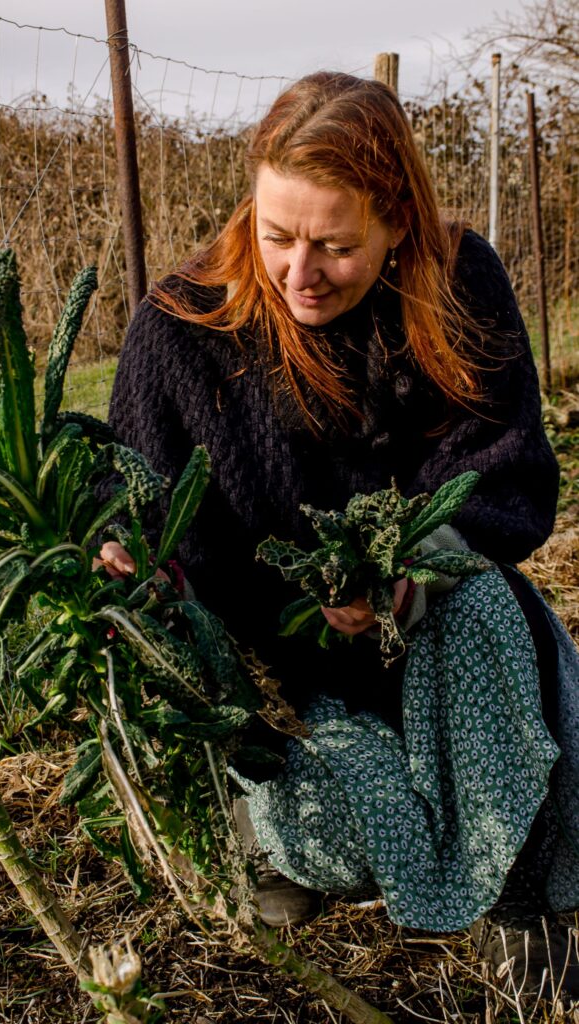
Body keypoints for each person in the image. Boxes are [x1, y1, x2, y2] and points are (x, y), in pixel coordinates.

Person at [99, 72, 579, 999]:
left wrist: (406, 568)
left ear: (397, 220)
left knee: (487, 609)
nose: (298, 272)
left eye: (335, 245)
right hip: (279, 665)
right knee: (342, 845)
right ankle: (272, 839)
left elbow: (507, 464)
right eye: (276, 235)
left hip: (425, 627)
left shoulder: (456, 279)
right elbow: (134, 495)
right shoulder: (181, 328)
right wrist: (124, 554)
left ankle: (525, 908)